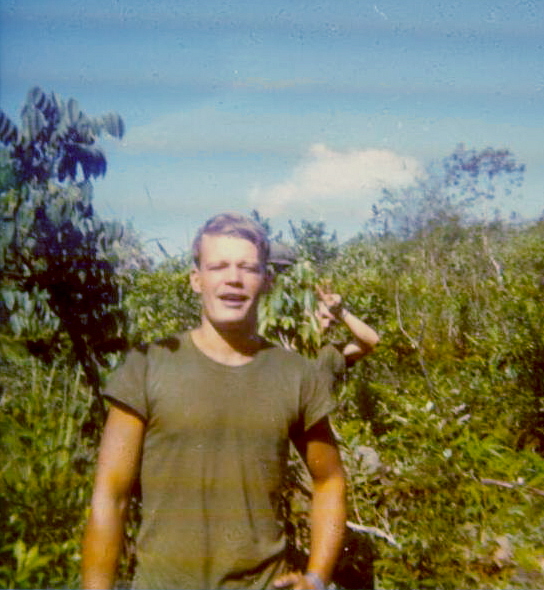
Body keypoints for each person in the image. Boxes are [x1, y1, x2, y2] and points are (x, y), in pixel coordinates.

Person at [81, 212, 347, 590]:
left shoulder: (295, 374)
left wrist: (317, 578)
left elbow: (330, 480)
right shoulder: (147, 365)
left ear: (267, 280)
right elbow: (111, 496)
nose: (233, 279)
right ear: (197, 279)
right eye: (218, 266)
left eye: (248, 268)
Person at [313, 285, 380, 391]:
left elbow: (374, 342)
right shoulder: (287, 345)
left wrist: (339, 311)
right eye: (323, 317)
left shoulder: (331, 352)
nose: (327, 325)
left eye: (330, 320)